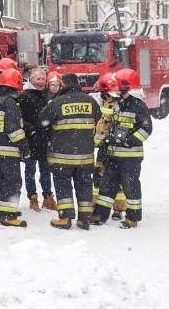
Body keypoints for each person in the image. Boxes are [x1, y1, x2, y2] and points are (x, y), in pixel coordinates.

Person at [39, 73, 100, 230]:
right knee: (85, 185)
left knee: (63, 185)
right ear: (78, 83)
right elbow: (98, 117)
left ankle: (65, 218)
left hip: (62, 156)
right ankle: (84, 219)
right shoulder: (90, 101)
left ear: (63, 84)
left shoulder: (57, 102)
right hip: (85, 156)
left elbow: (42, 120)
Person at [92, 68, 152, 229]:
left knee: (130, 187)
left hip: (130, 157)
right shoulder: (116, 104)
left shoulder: (138, 106)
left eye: (116, 85)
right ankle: (100, 215)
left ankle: (132, 218)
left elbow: (146, 129)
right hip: (112, 155)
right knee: (107, 186)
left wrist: (130, 141)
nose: (113, 88)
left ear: (124, 86)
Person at [0, 68, 31, 227]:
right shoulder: (11, 103)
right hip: (9, 149)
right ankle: (8, 215)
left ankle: (0, 210)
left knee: (0, 180)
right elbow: (14, 129)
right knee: (12, 182)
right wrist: (24, 147)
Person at [18, 68, 56, 212]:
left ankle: (48, 197)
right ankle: (32, 198)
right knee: (30, 170)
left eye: (42, 79)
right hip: (31, 140)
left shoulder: (47, 95)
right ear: (31, 80)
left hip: (46, 139)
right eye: (38, 79)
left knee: (46, 170)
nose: (41, 82)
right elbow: (20, 118)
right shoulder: (25, 96)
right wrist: (31, 130)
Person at [92, 72, 127, 219]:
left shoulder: (117, 105)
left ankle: (118, 209)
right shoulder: (104, 103)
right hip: (103, 148)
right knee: (99, 177)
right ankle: (97, 206)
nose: (100, 94)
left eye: (101, 91)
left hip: (113, 148)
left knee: (116, 179)